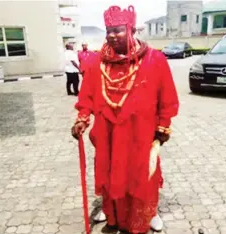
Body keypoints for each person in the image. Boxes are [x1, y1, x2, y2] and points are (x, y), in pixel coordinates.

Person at [71, 5, 179, 234]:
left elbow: (167, 96)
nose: (111, 34)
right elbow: (87, 96)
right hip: (107, 133)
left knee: (142, 174)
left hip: (141, 132)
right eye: (108, 29)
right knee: (111, 173)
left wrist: (163, 126)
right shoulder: (96, 63)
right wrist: (82, 118)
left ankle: (148, 213)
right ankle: (113, 212)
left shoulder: (154, 59)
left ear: (130, 29)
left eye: (117, 29)